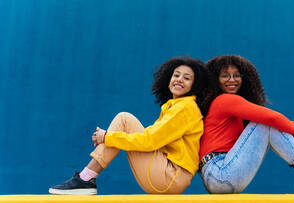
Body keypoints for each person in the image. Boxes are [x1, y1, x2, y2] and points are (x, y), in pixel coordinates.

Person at [49, 56, 208, 195]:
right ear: (169, 79)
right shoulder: (176, 106)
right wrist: (109, 138)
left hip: (170, 176)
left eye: (187, 78)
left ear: (193, 86)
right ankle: (86, 178)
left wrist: (107, 137)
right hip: (169, 176)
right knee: (124, 123)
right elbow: (151, 140)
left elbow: (149, 141)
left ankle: (86, 178)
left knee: (124, 119)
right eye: (176, 75)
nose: (179, 79)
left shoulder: (185, 108)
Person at [199, 55, 294, 194]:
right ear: (215, 80)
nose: (231, 80)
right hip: (219, 173)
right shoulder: (225, 100)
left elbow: (270, 121)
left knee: (265, 123)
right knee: (264, 124)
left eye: (236, 75)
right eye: (225, 76)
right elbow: (270, 119)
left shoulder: (229, 107)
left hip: (220, 175)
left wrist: (293, 125)